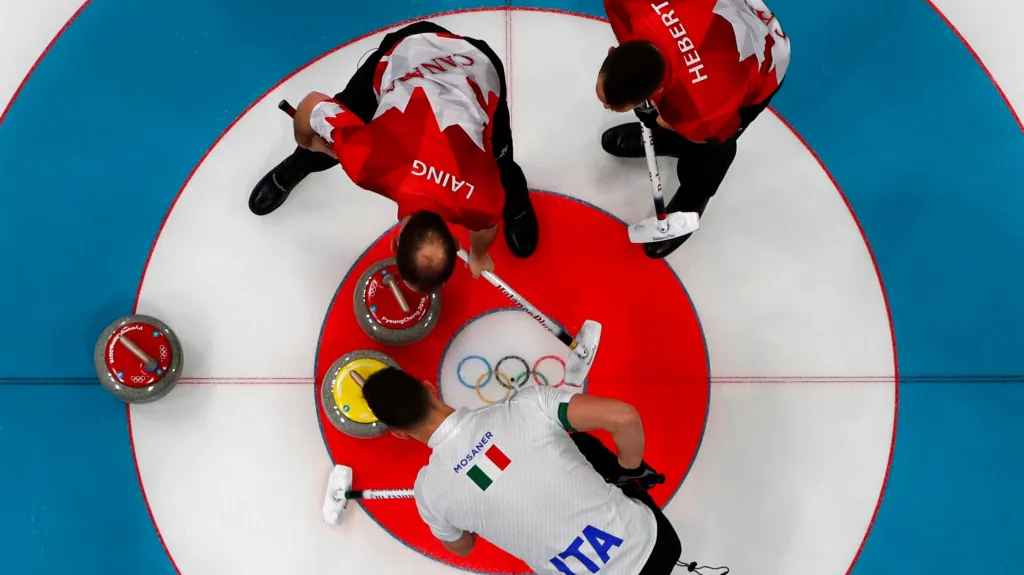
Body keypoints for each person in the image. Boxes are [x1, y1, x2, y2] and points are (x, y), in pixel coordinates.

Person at [248, 21, 539, 293]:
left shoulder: (481, 202)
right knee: (323, 147)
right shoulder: (365, 162)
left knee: (504, 168)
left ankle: (517, 208)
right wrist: (309, 142)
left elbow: (311, 104)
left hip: (469, 66)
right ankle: (296, 166)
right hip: (414, 57)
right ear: (395, 242)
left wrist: (479, 254)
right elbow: (312, 105)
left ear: (396, 242)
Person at [361, 367, 683, 575]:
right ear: (429, 387)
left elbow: (463, 546)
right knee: (579, 441)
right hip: (655, 544)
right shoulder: (527, 406)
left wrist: (480, 505)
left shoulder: (429, 494)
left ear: (399, 433)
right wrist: (631, 471)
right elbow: (624, 417)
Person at [596, 0, 791, 258]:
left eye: (613, 106)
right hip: (708, 22)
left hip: (760, 61)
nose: (608, 106)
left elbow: (717, 134)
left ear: (656, 91)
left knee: (710, 151)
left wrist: (657, 120)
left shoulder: (704, 111)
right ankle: (669, 138)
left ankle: (694, 195)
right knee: (680, 121)